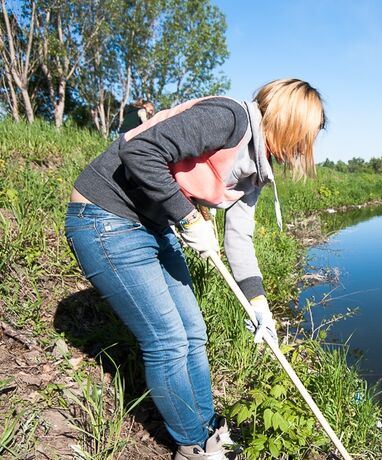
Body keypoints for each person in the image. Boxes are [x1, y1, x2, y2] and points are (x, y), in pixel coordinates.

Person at [65, 78, 326, 459]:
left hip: (152, 223)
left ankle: (208, 429)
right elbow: (138, 151)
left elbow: (239, 240)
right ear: (289, 122)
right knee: (168, 340)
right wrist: (189, 219)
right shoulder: (228, 119)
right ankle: (192, 447)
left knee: (193, 331)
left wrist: (258, 303)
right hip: (104, 218)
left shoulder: (255, 171)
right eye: (303, 140)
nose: (301, 152)